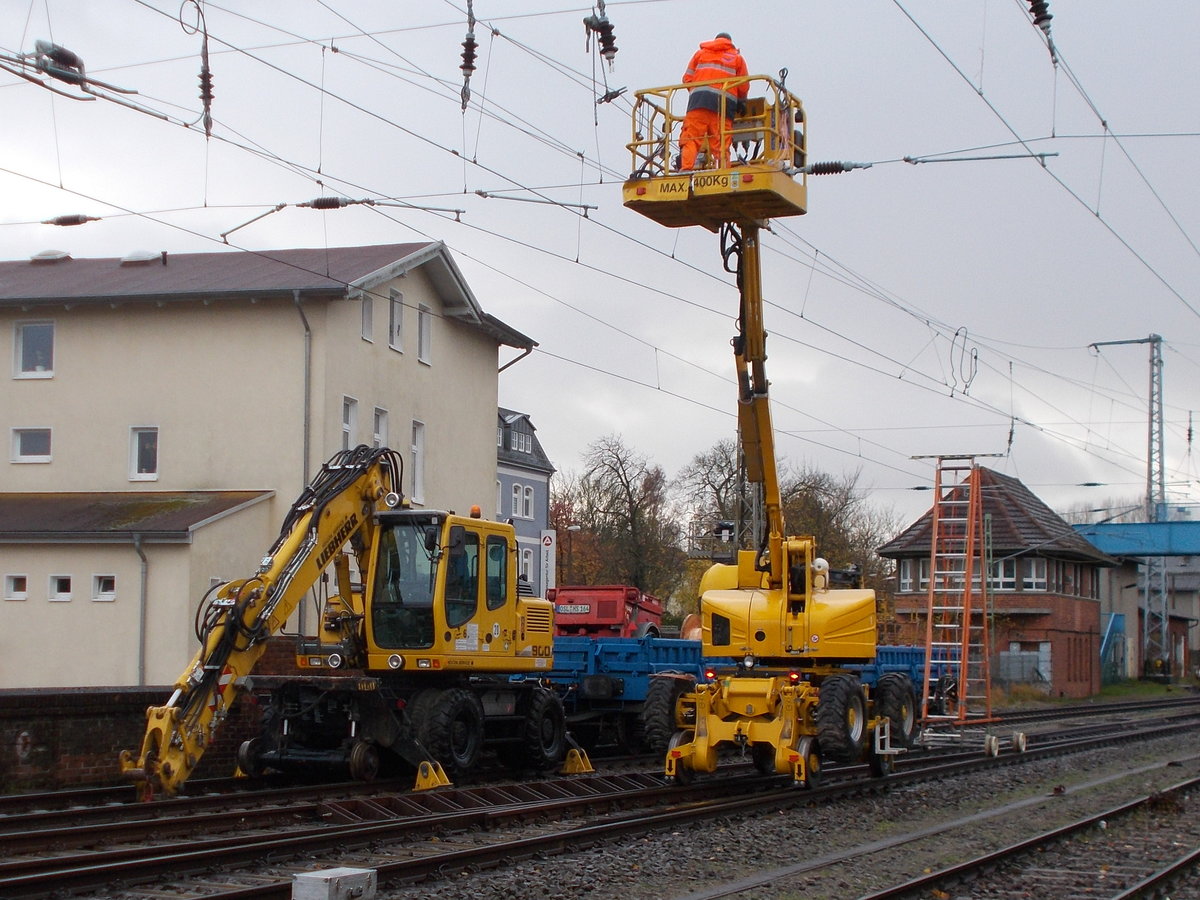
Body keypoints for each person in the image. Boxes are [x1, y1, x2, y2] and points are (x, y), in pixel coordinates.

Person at [678, 32, 748, 171]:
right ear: (729, 42)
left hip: (698, 104)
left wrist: (699, 92)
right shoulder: (737, 58)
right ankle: (722, 172)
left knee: (691, 138)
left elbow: (687, 79)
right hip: (723, 106)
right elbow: (743, 84)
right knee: (721, 142)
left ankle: (686, 170)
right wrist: (742, 101)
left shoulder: (700, 54)